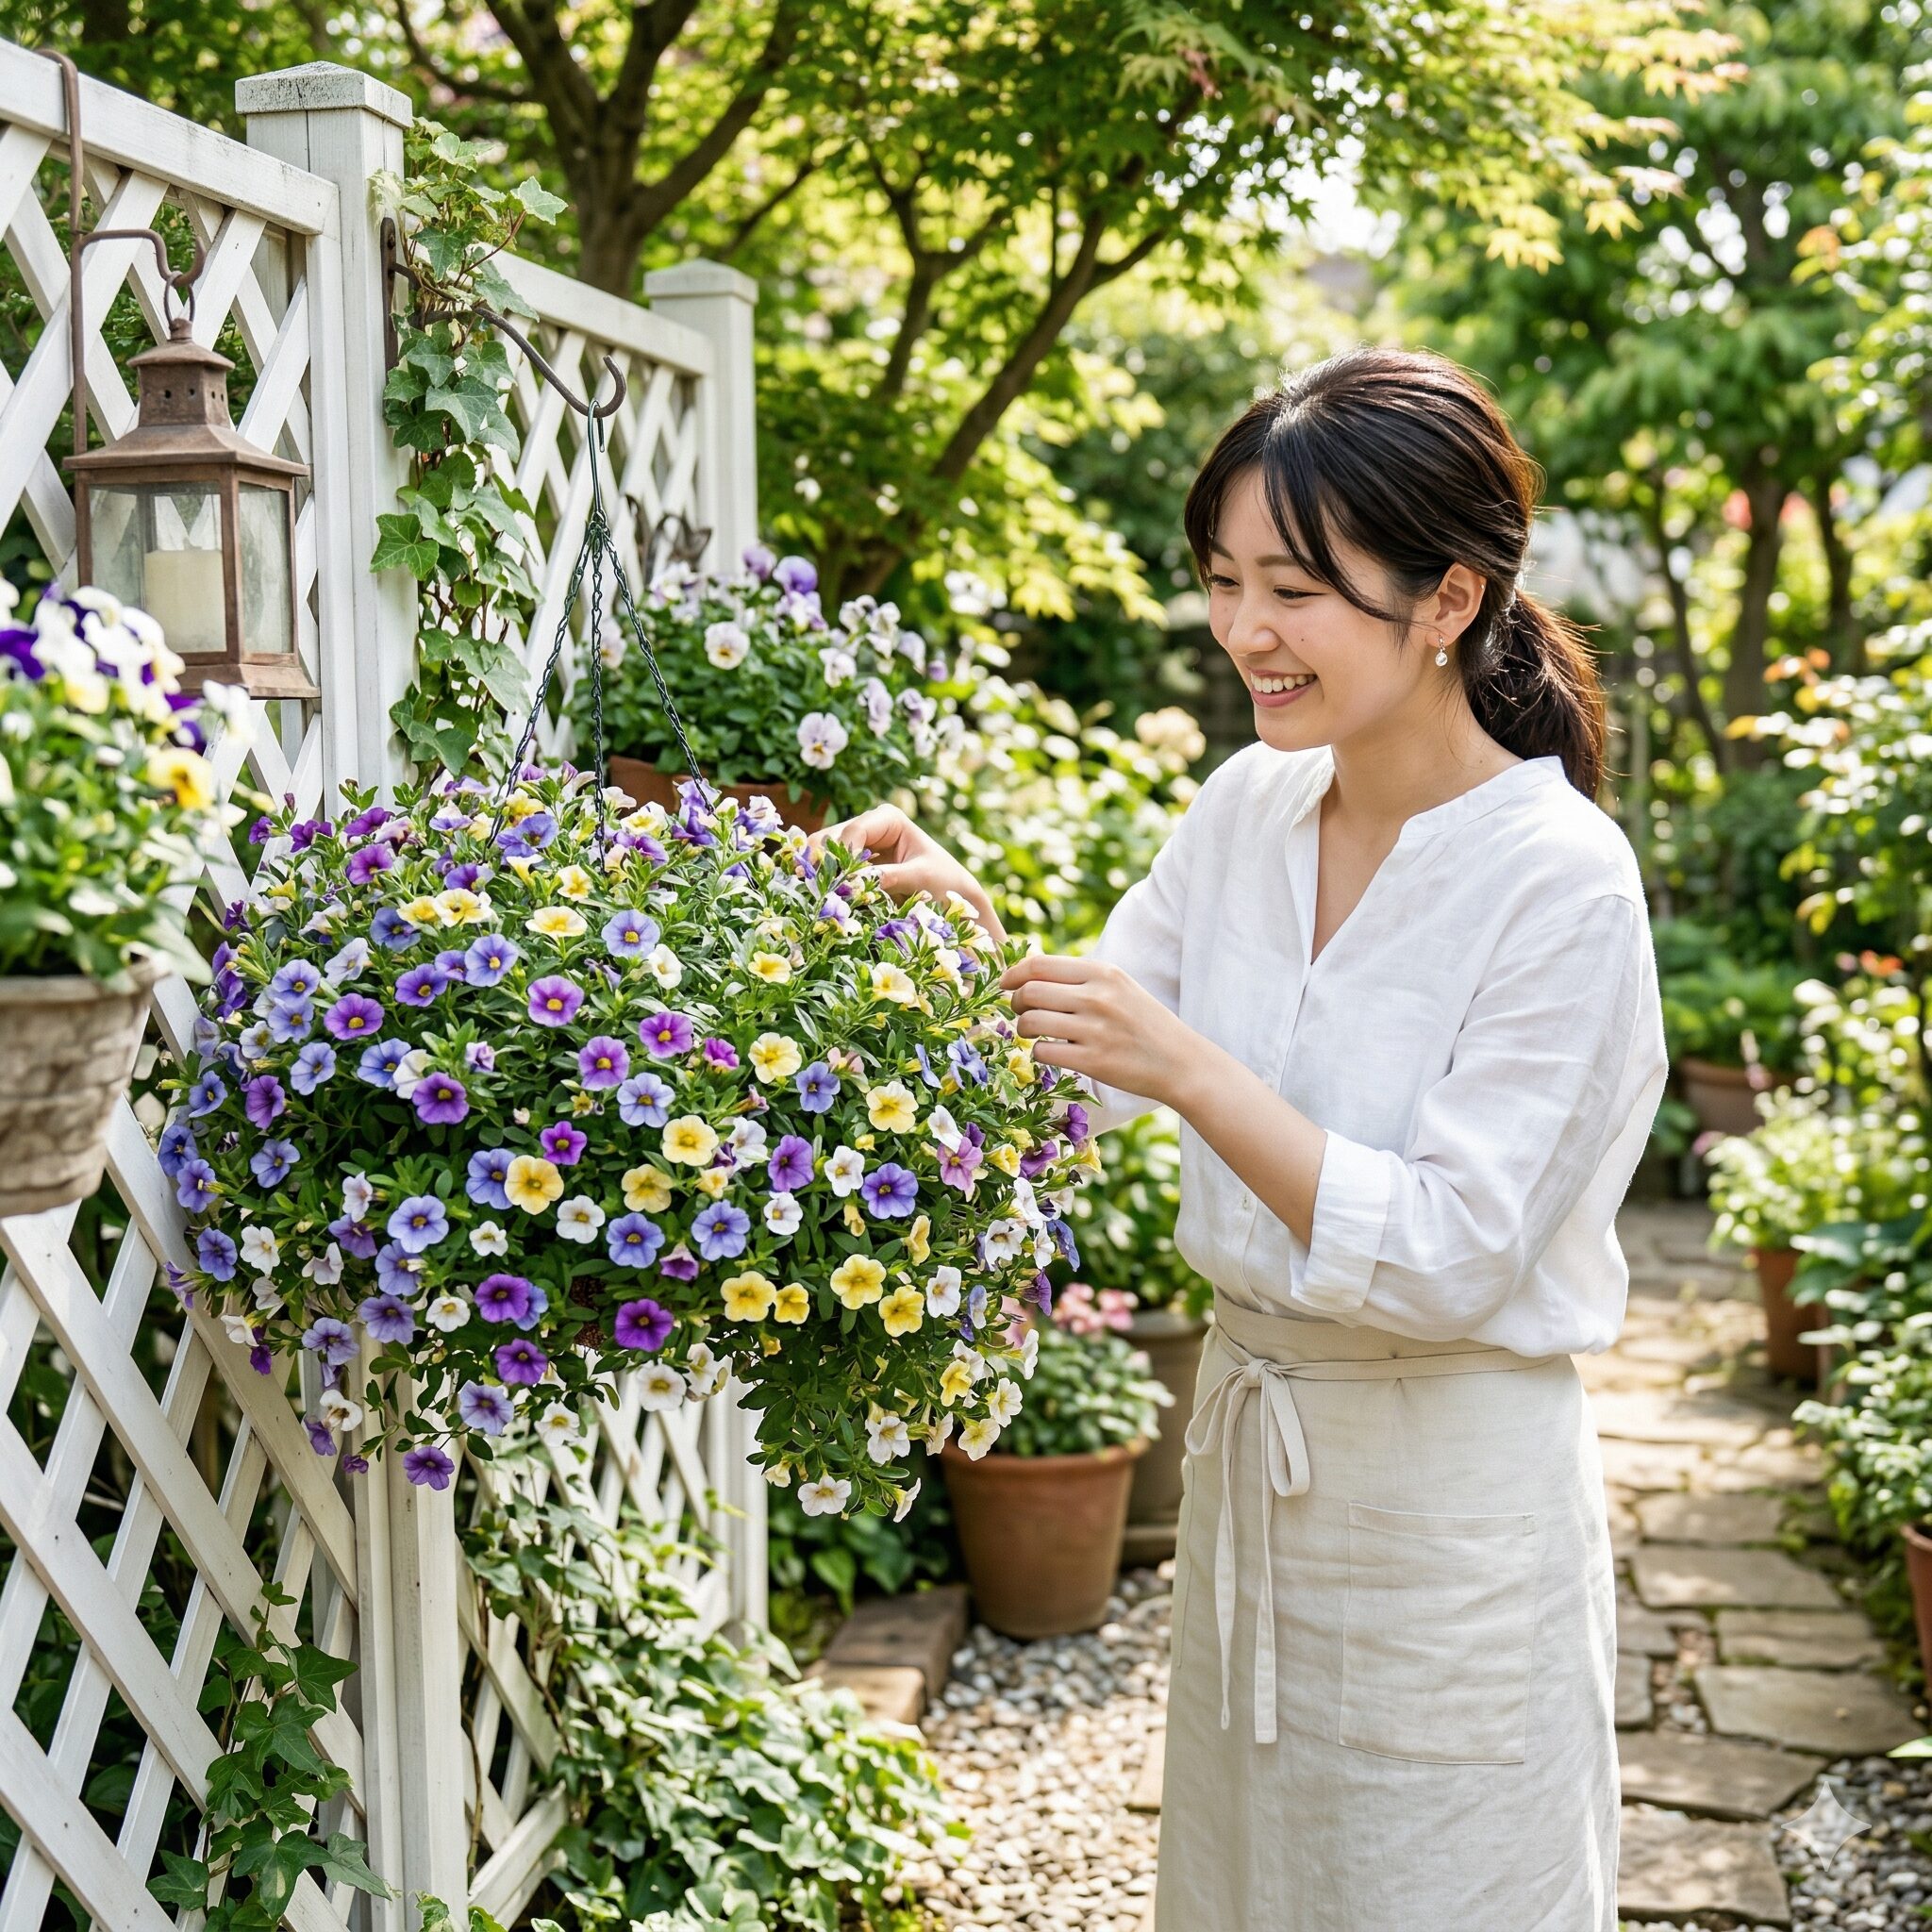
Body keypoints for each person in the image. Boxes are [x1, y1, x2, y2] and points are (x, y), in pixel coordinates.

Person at [819, 344, 1669, 1928]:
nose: (1243, 633)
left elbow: (1447, 1254)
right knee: (1250, 1885)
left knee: (1447, 1887)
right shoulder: (1246, 811)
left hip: (1447, 1507)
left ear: (1447, 601)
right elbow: (1086, 1051)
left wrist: (1195, 1077)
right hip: (1255, 1473)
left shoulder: (1559, 877)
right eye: (1222, 581)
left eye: (1295, 588)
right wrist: (968, 926)